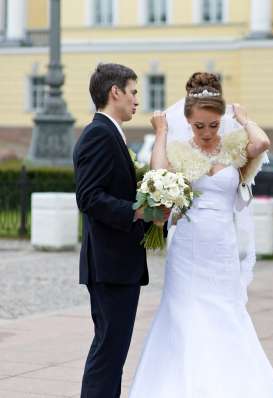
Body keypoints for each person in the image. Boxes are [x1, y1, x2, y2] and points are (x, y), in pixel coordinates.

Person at [128, 73, 273, 397]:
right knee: (184, 311)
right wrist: (161, 133)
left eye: (213, 125)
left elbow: (262, 144)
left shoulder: (233, 149)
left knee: (225, 310)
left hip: (222, 246)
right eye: (199, 126)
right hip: (187, 244)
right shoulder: (179, 149)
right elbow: (158, 174)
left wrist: (243, 119)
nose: (207, 133)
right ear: (188, 122)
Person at [74, 63, 168, 398]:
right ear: (115, 92)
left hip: (117, 264)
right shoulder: (99, 133)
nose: (136, 100)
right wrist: (136, 210)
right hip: (110, 264)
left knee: (112, 354)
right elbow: (89, 197)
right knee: (108, 354)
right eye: (133, 91)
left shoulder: (111, 132)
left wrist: (152, 208)